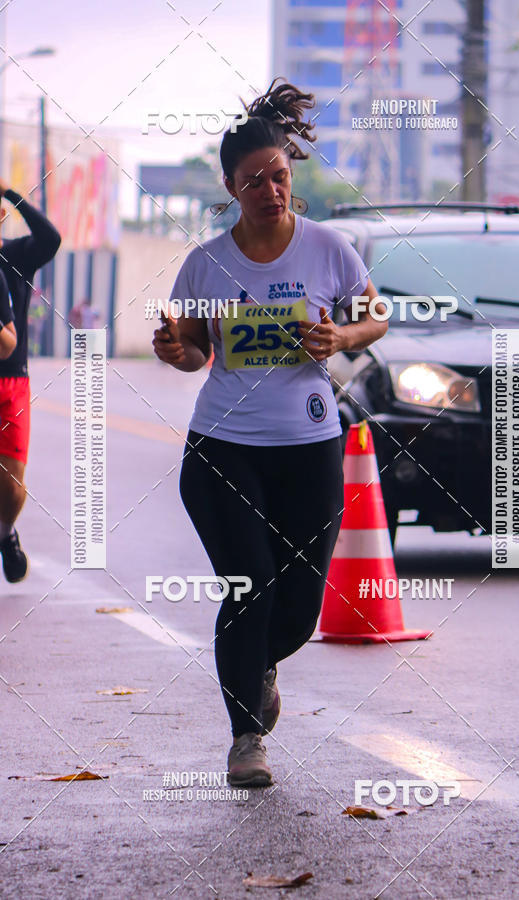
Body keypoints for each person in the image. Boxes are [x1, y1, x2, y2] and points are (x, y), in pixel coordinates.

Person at [153, 79, 387, 786]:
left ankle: (263, 667)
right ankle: (246, 737)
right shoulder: (207, 263)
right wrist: (176, 350)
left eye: (279, 175)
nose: (269, 189)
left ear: (292, 172)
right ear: (230, 187)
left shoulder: (329, 250)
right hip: (223, 449)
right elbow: (194, 350)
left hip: (309, 448)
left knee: (298, 610)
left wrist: (339, 334)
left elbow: (374, 318)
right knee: (248, 585)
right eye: (253, 181)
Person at [0, 182, 61, 582]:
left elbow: (51, 237)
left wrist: (9, 192)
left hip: (11, 380)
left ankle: (5, 533)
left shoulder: (17, 254)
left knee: (10, 480)